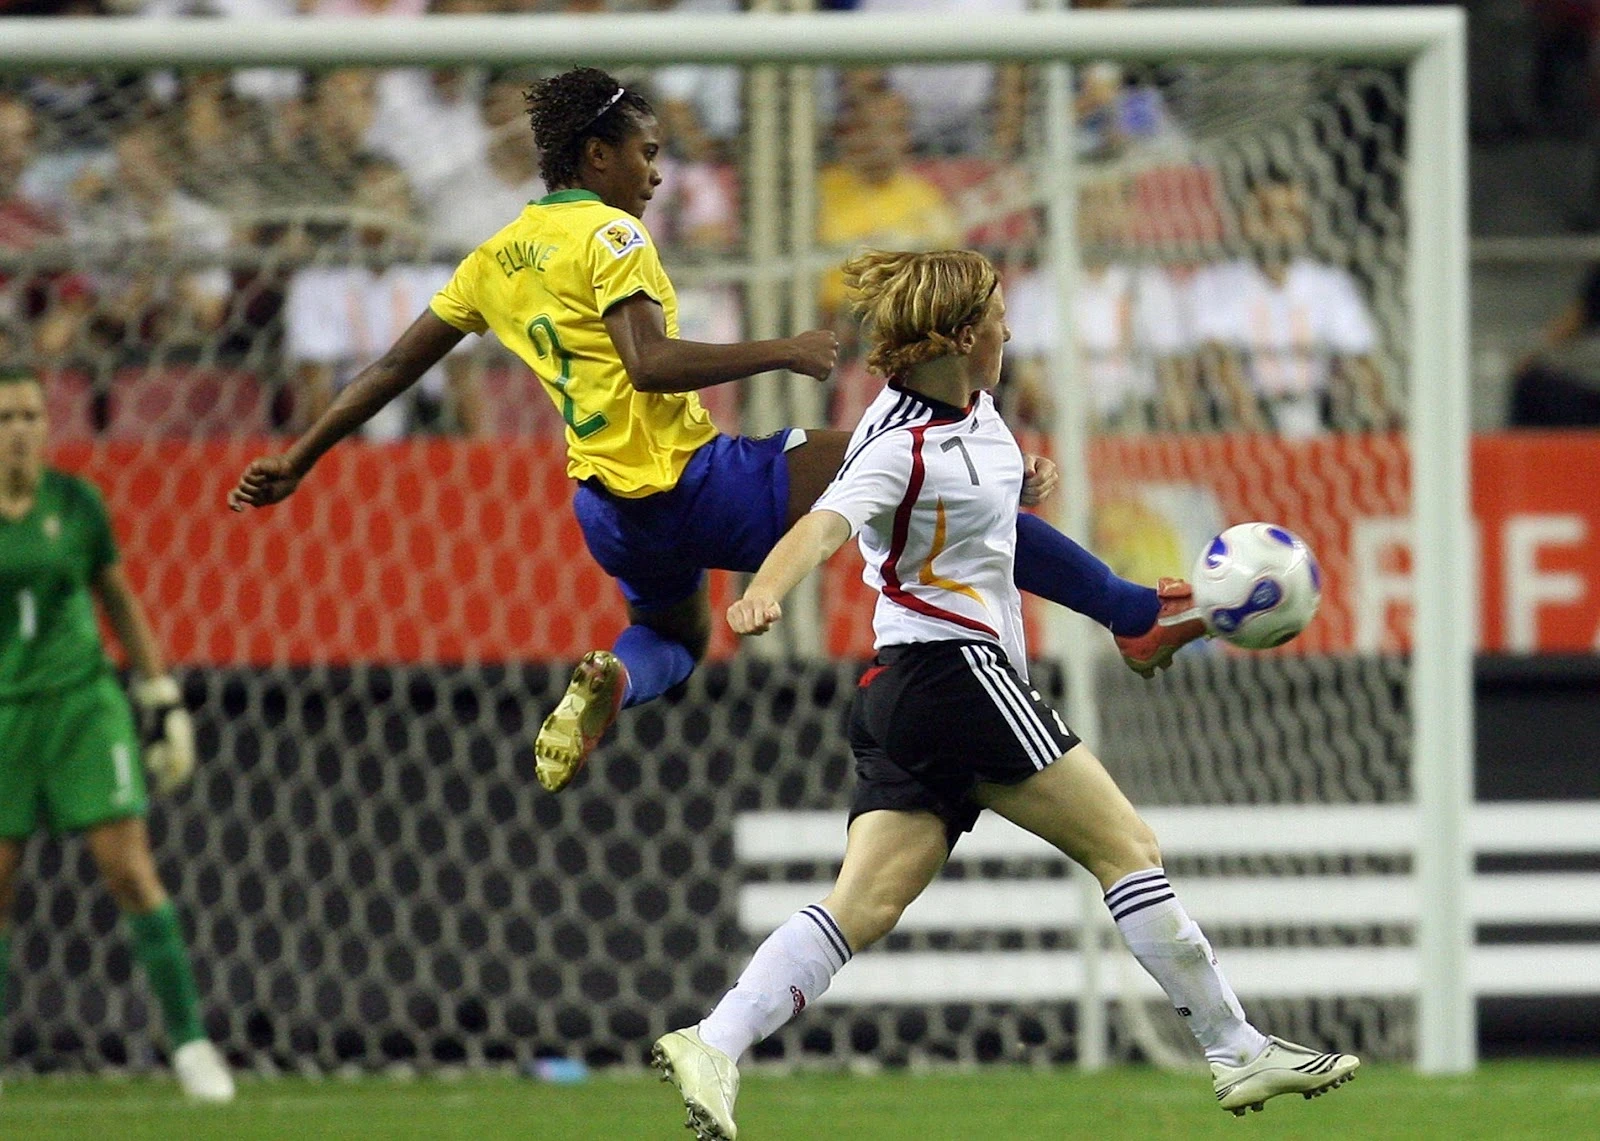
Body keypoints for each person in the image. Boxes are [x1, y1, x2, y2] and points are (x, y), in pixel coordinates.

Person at [227, 66, 1206, 799]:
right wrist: (777, 350)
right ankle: (1130, 611)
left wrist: (298, 456)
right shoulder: (610, 236)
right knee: (919, 477)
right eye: (646, 154)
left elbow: (398, 366)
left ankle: (616, 676)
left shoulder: (497, 252)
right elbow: (649, 363)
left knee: (670, 633)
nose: (656, 174)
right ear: (598, 156)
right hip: (698, 479)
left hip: (607, 509)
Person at [651, 250, 1359, 1141]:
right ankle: (1234, 1045)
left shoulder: (972, 410)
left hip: (899, 691)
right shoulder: (895, 445)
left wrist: (1116, 597)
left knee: (863, 903)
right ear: (955, 339)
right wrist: (767, 589)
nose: (1009, 329)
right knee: (1127, 845)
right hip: (958, 673)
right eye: (994, 317)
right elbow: (825, 522)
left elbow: (1003, 535)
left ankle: (715, 1042)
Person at [0, 368, 233, 1102]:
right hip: (5, 711)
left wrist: (160, 694)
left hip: (82, 702)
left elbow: (120, 601)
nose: (20, 428)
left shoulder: (76, 502)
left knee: (129, 869)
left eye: (32, 413)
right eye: (6, 416)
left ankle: (191, 1043)